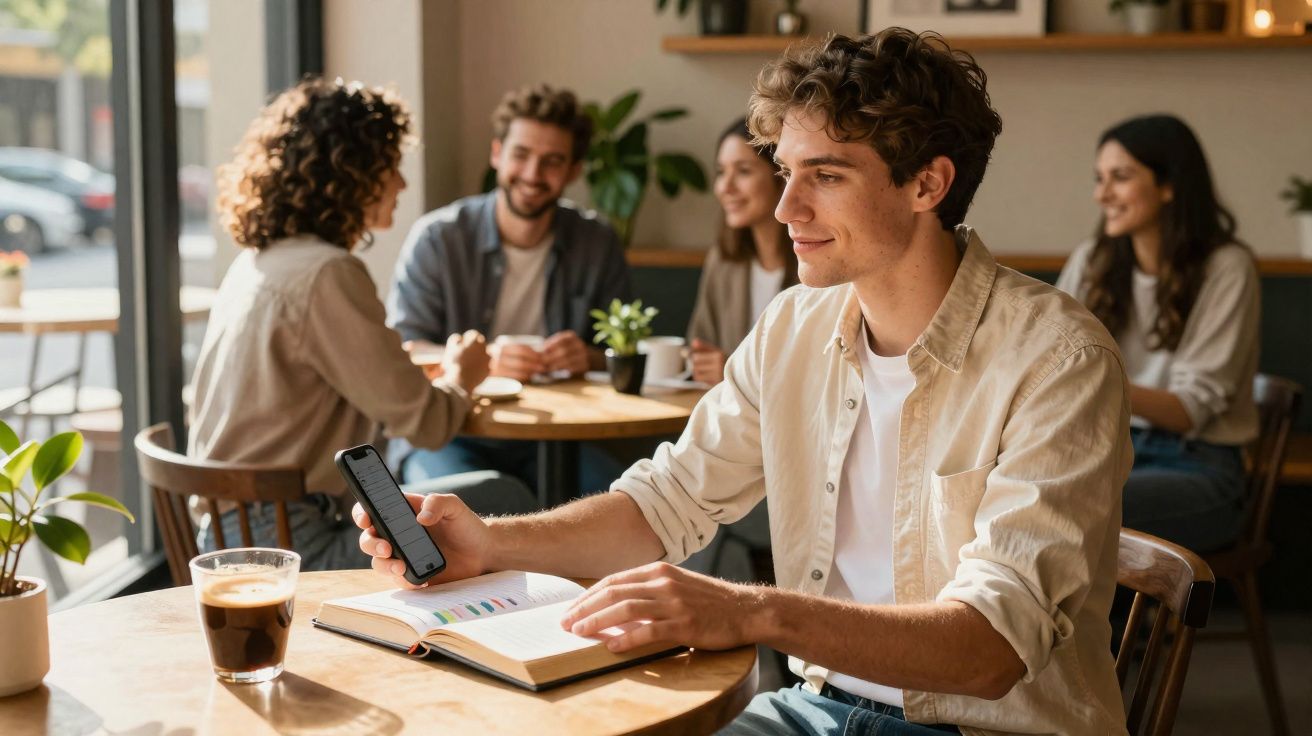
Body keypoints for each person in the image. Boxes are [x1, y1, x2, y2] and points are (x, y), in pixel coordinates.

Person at [358, 29, 1134, 735]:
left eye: (825, 176)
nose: (786, 205)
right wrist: (491, 543)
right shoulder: (795, 327)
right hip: (815, 711)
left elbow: (989, 650)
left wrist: (748, 611)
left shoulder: (1058, 359)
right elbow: (668, 502)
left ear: (928, 184)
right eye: (787, 172)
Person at [189, 78, 535, 572]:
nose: (401, 184)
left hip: (229, 532)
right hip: (291, 543)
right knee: (507, 493)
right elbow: (427, 424)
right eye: (390, 165)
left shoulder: (260, 262)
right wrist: (464, 376)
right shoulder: (328, 274)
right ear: (352, 173)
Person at [386, 83, 632, 494]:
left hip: (558, 440)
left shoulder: (596, 242)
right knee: (467, 507)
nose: (533, 175)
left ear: (572, 170)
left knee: (632, 504)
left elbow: (626, 349)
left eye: (552, 161)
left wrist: (587, 356)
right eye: (521, 155)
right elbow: (404, 352)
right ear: (497, 153)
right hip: (450, 432)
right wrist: (481, 362)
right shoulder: (439, 239)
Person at [1056, 114, 1260, 553]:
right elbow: (1048, 354)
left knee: (1069, 506)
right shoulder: (1093, 260)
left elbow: (1190, 411)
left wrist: (1096, 378)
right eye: (1099, 178)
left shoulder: (1227, 268)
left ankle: (1091, 624)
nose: (1102, 194)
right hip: (1109, 452)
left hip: (1199, 467)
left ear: (1170, 186)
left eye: (1121, 177)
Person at [687, 117, 799, 387]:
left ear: (781, 177)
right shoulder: (723, 261)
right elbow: (698, 346)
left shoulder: (817, 268)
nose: (725, 187)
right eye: (721, 172)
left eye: (743, 171)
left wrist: (734, 372)